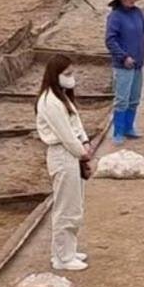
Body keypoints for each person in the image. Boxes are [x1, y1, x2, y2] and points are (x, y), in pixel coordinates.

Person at [35, 55, 91, 272]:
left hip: (73, 153)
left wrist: (85, 143)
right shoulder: (49, 102)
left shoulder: (63, 98)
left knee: (74, 205)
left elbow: (76, 124)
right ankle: (62, 256)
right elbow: (66, 135)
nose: (71, 78)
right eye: (66, 74)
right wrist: (83, 153)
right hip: (63, 154)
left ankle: (69, 249)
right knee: (65, 207)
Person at [105, 0, 144, 145]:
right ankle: (118, 131)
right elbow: (110, 41)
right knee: (122, 98)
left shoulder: (137, 12)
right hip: (123, 64)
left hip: (138, 62)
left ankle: (129, 127)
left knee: (134, 97)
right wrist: (124, 56)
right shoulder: (115, 17)